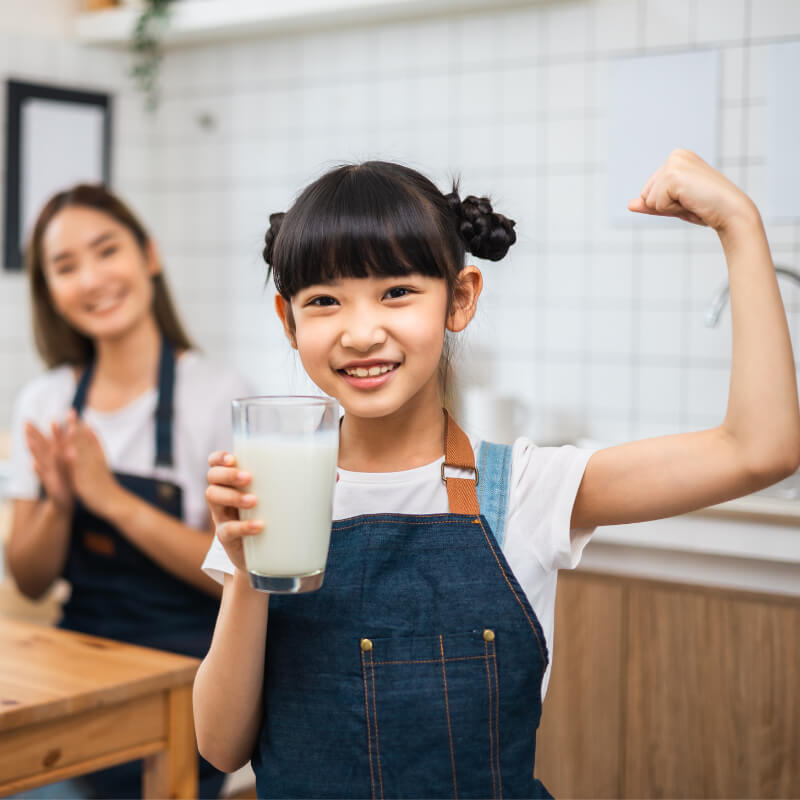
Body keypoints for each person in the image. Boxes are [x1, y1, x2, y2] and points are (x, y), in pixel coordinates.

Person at [194, 152, 800, 799]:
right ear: (290, 323)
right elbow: (222, 745)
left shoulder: (529, 491)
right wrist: (245, 578)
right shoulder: (271, 491)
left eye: (396, 292)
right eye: (325, 301)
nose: (361, 331)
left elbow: (758, 451)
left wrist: (739, 223)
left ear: (459, 299)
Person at [6, 184, 250, 799]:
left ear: (148, 256)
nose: (91, 279)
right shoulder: (45, 401)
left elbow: (236, 576)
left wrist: (110, 498)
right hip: (78, 666)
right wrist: (62, 503)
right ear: (51, 295)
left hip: (188, 675)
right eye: (65, 267)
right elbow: (29, 580)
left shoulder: (218, 393)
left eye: (105, 251)